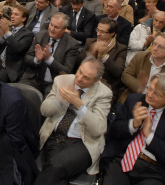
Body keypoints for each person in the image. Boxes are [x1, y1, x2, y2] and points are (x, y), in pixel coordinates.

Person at [101, 73, 165, 185]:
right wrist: (133, 124)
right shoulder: (134, 100)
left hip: (153, 170)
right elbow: (114, 130)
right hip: (122, 159)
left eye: (157, 94)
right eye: (150, 89)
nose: (150, 94)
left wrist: (149, 136)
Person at [36, 56, 112, 185]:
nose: (79, 78)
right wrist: (60, 101)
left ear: (96, 80)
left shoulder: (103, 93)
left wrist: (79, 106)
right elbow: (44, 111)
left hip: (83, 142)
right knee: (58, 175)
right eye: (80, 71)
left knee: (54, 166)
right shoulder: (62, 80)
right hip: (56, 136)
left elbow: (98, 130)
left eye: (86, 77)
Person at [19, 12, 79, 95]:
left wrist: (49, 60)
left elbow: (67, 70)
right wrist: (37, 60)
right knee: (18, 95)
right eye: (51, 25)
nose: (52, 29)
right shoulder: (40, 36)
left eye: (56, 27)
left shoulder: (72, 44)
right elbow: (27, 57)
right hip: (33, 78)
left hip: (53, 83)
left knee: (48, 106)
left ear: (64, 29)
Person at [121, 32, 165, 104]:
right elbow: (126, 75)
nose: (155, 48)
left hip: (159, 105)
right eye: (154, 44)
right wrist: (140, 87)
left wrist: (157, 98)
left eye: (160, 47)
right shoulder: (140, 56)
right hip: (134, 96)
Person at [76, 18, 127, 100]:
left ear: (112, 33)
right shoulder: (90, 42)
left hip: (106, 86)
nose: (98, 34)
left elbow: (118, 71)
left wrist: (104, 56)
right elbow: (78, 61)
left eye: (102, 32)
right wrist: (90, 53)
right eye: (98, 30)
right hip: (85, 81)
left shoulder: (121, 49)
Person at [0, 5, 33, 82]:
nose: (12, 16)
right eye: (12, 14)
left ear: (23, 19)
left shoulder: (28, 34)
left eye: (16, 14)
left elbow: (17, 48)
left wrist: (7, 33)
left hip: (9, 67)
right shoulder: (9, 28)